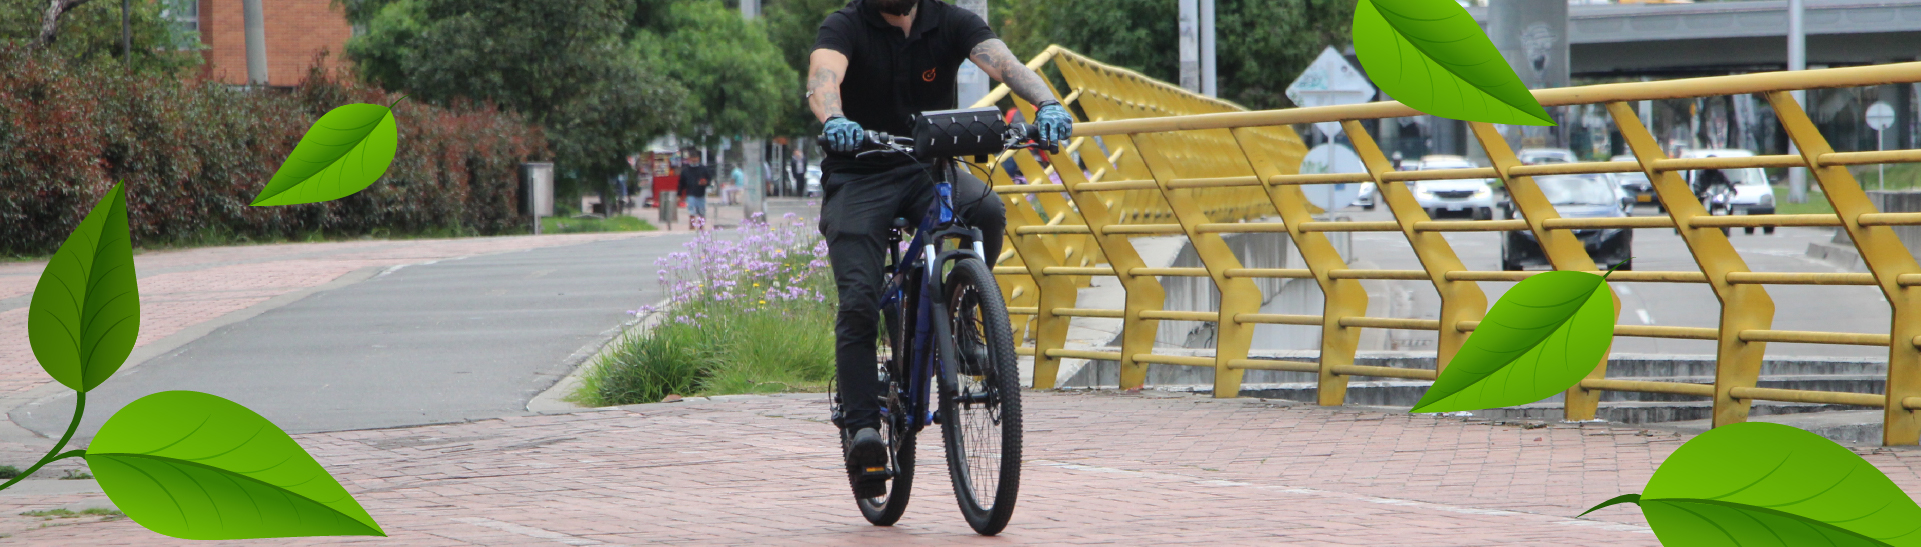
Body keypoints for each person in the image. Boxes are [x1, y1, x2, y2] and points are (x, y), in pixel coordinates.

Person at [808, 0, 1072, 498]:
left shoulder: (948, 20)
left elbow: (1006, 64)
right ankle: (864, 428)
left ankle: (964, 315)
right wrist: (834, 118)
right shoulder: (845, 25)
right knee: (861, 298)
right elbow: (824, 78)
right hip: (859, 171)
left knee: (987, 211)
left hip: (927, 167)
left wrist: (1049, 103)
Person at [678, 154, 711, 228]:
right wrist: (679, 195)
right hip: (690, 193)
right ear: (689, 159)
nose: (694, 160)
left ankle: (701, 227)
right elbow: (681, 183)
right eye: (692, 158)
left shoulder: (703, 169)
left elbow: (709, 180)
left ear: (698, 158)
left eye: (696, 157)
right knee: (691, 211)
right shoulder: (686, 170)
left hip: (701, 193)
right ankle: (692, 227)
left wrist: (706, 183)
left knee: (701, 212)